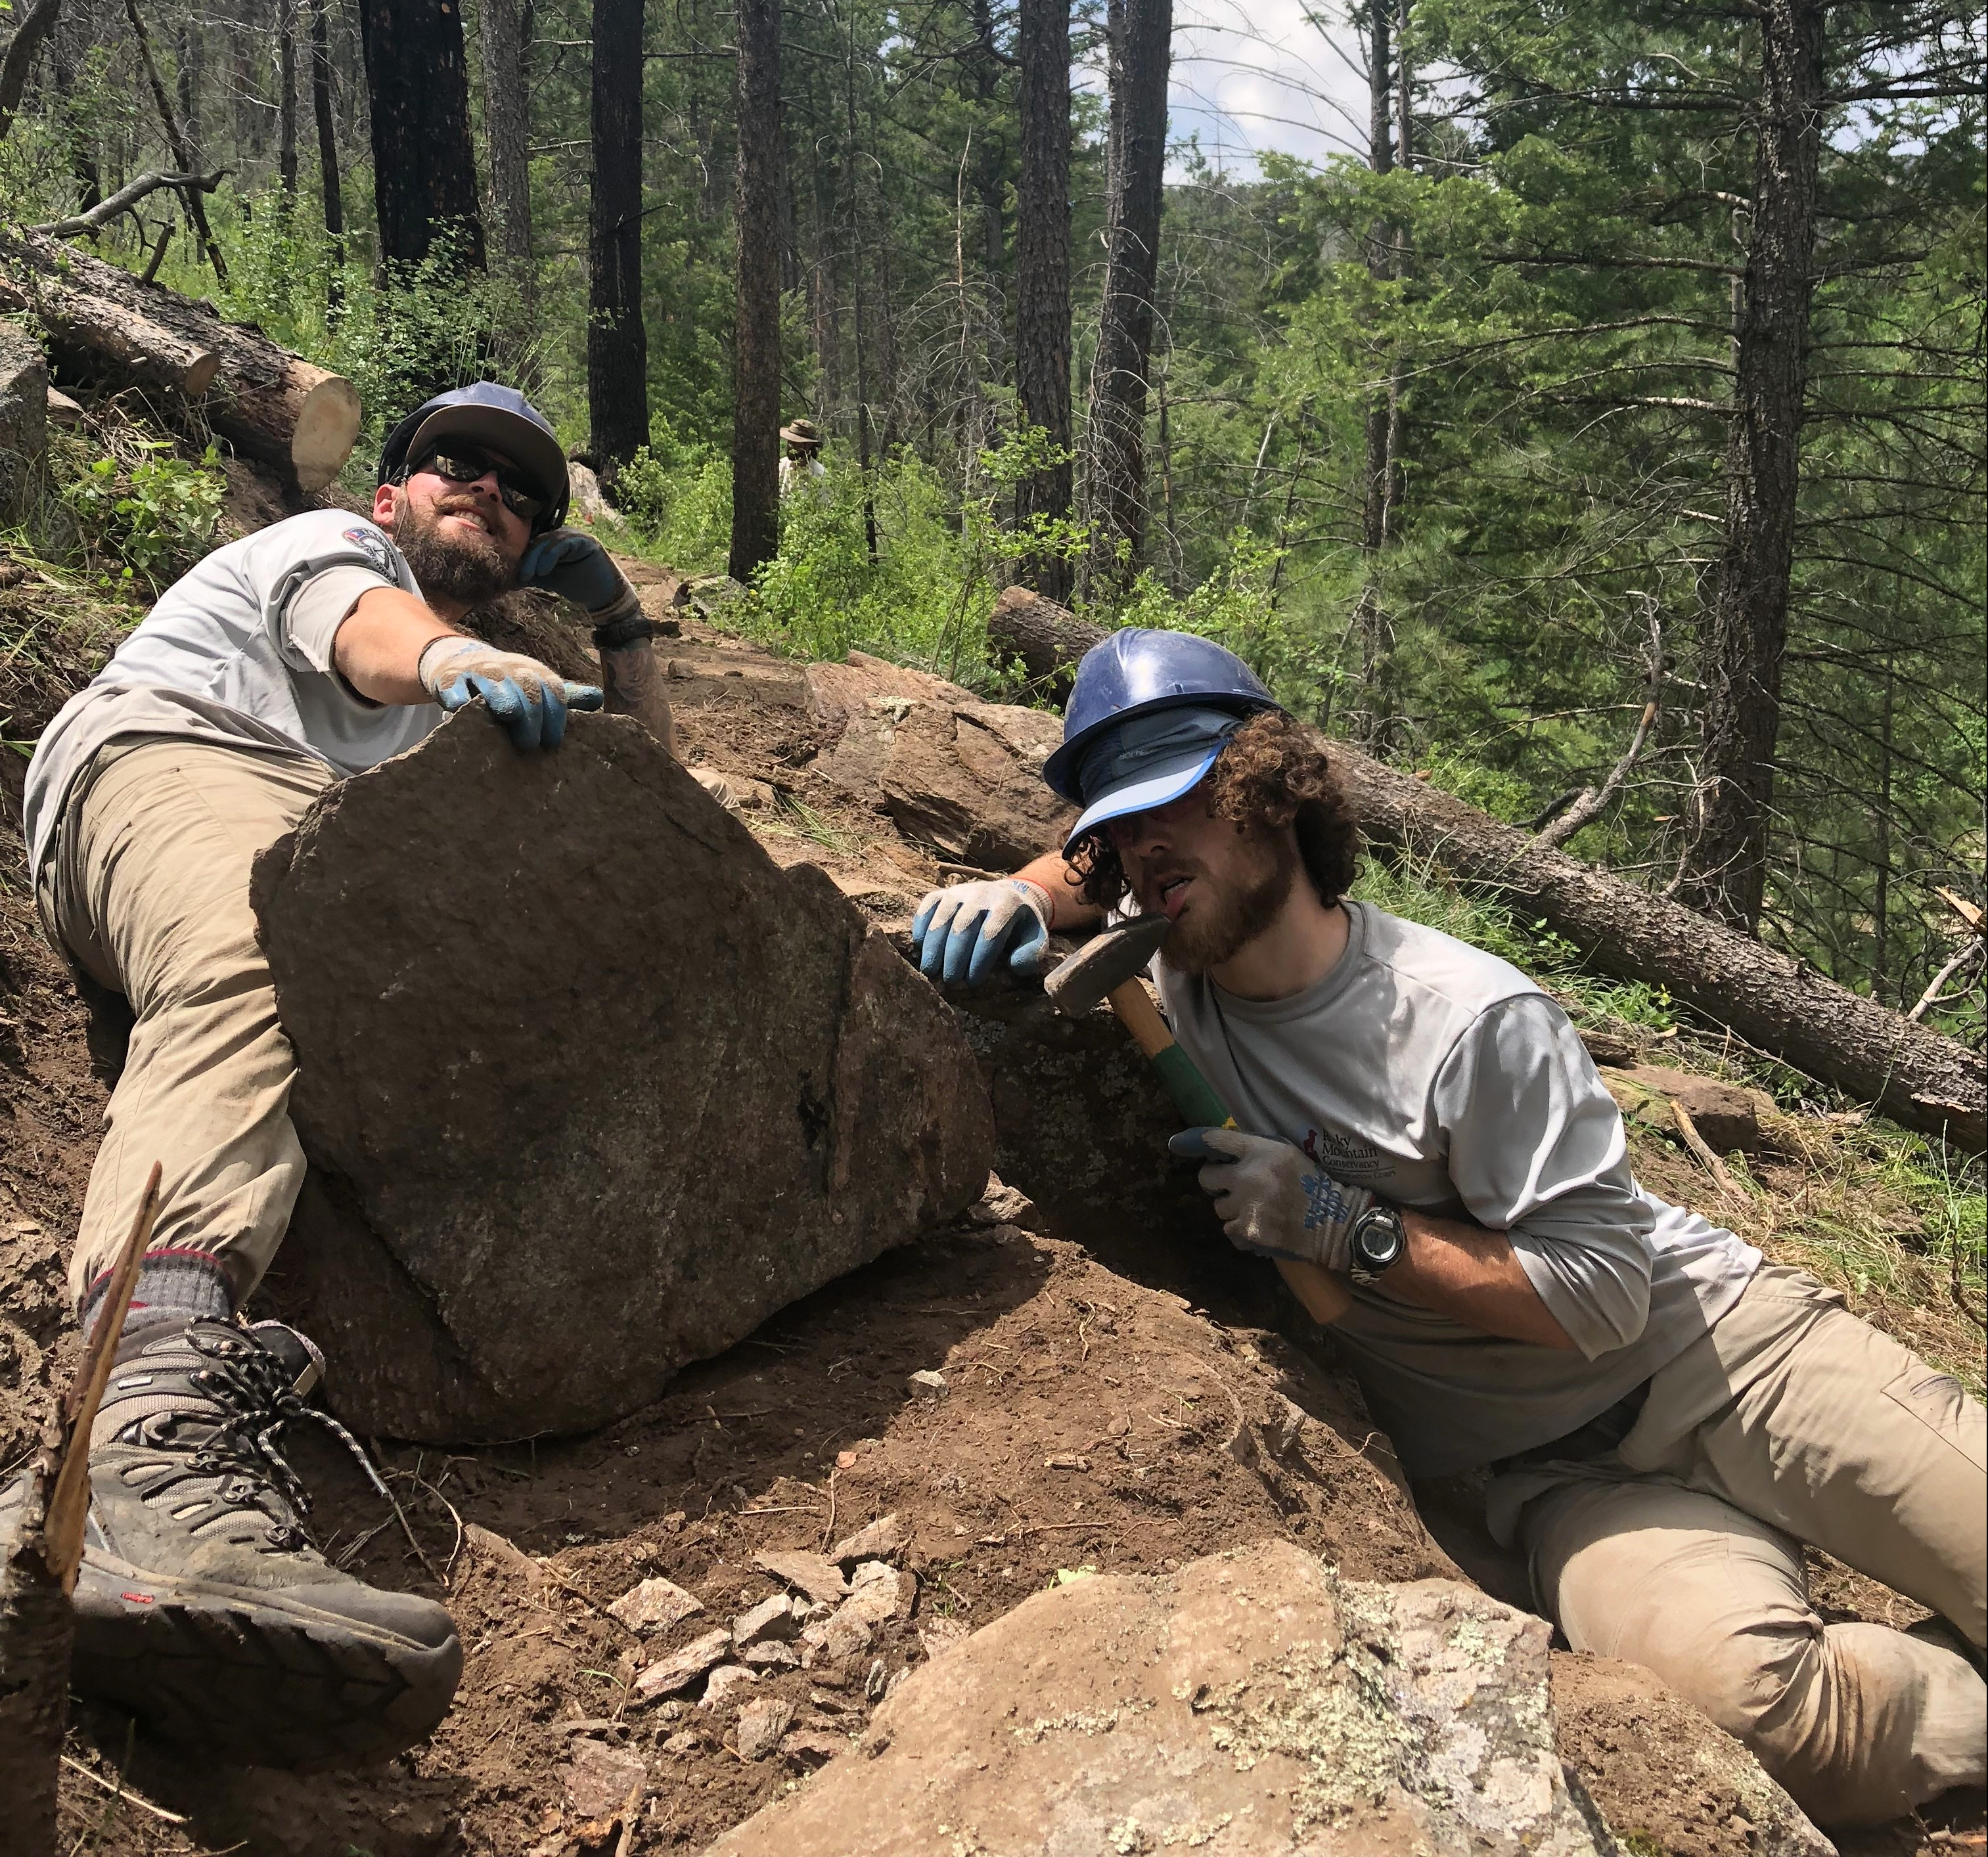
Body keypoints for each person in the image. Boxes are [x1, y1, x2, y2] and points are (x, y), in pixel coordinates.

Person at [910, 632, 1986, 1832]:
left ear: (1266, 791)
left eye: (1175, 805)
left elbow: (1602, 1294)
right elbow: (1080, 872)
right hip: (1545, 1480)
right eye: (1119, 831)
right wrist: (1016, 887)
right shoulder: (1167, 970)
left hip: (1727, 1358)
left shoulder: (1466, 1017)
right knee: (1751, 1720)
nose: (1146, 852)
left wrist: (1342, 1228)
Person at [5, 383, 673, 1770]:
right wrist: (446, 668)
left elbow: (654, 809)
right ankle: (138, 1425)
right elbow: (375, 640)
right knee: (262, 952)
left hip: (313, 838)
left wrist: (624, 630)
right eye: (454, 467)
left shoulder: (459, 723)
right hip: (169, 760)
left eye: (522, 493)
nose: (487, 491)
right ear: (389, 493)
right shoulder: (330, 555)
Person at [778, 415, 826, 498]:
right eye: (789, 441)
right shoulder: (780, 466)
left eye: (795, 443)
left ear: (808, 445)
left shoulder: (820, 474)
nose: (790, 446)